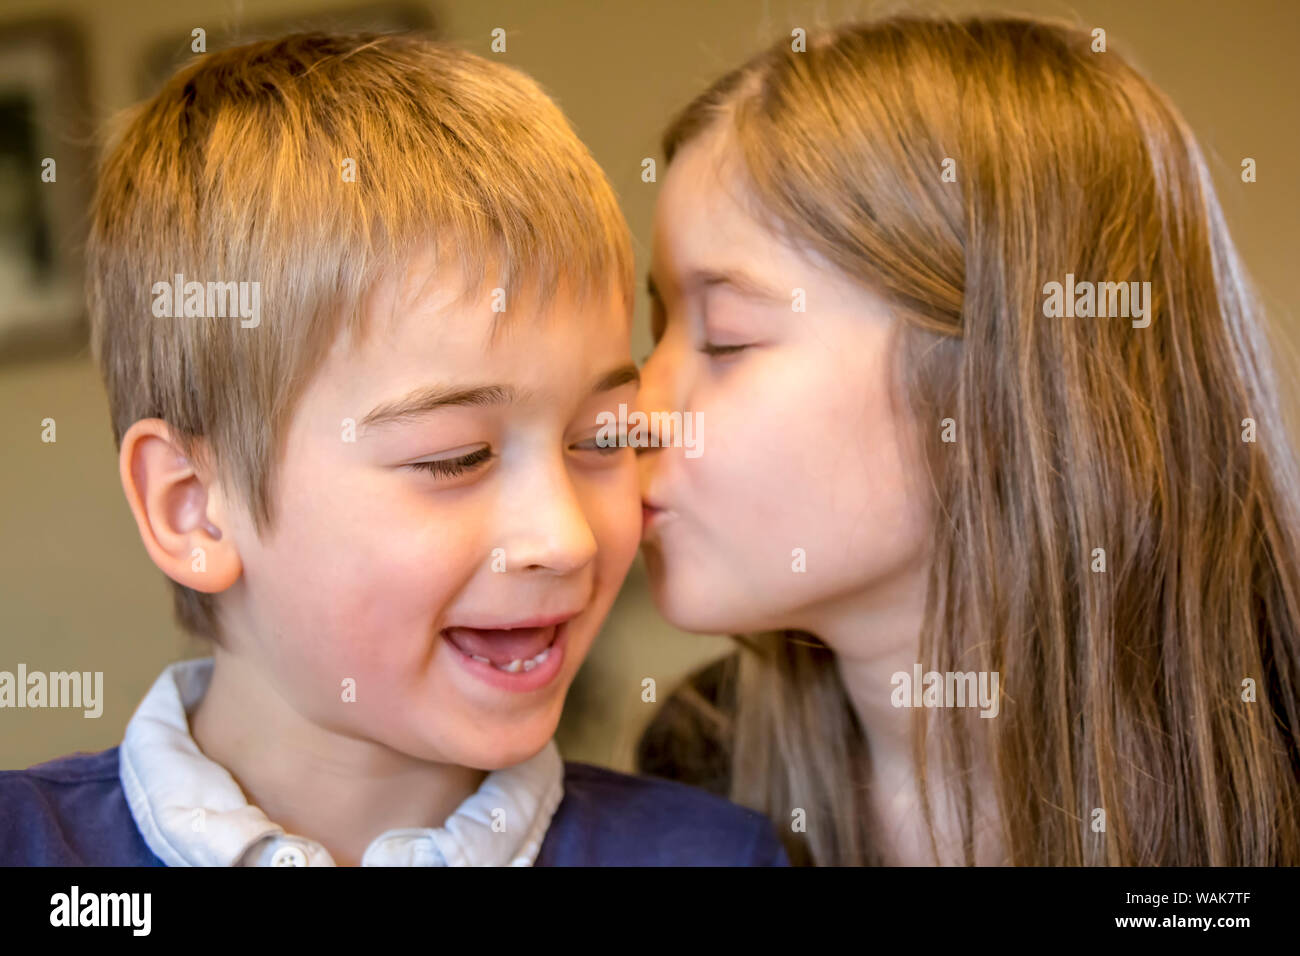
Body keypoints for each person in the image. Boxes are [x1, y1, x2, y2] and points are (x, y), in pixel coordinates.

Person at [0, 32, 787, 867]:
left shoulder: (709, 854)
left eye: (599, 438)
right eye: (456, 458)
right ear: (192, 504)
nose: (567, 539)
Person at [635, 15, 1300, 866]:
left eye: (724, 339)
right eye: (657, 334)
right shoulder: (695, 779)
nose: (635, 410)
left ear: (993, 380)